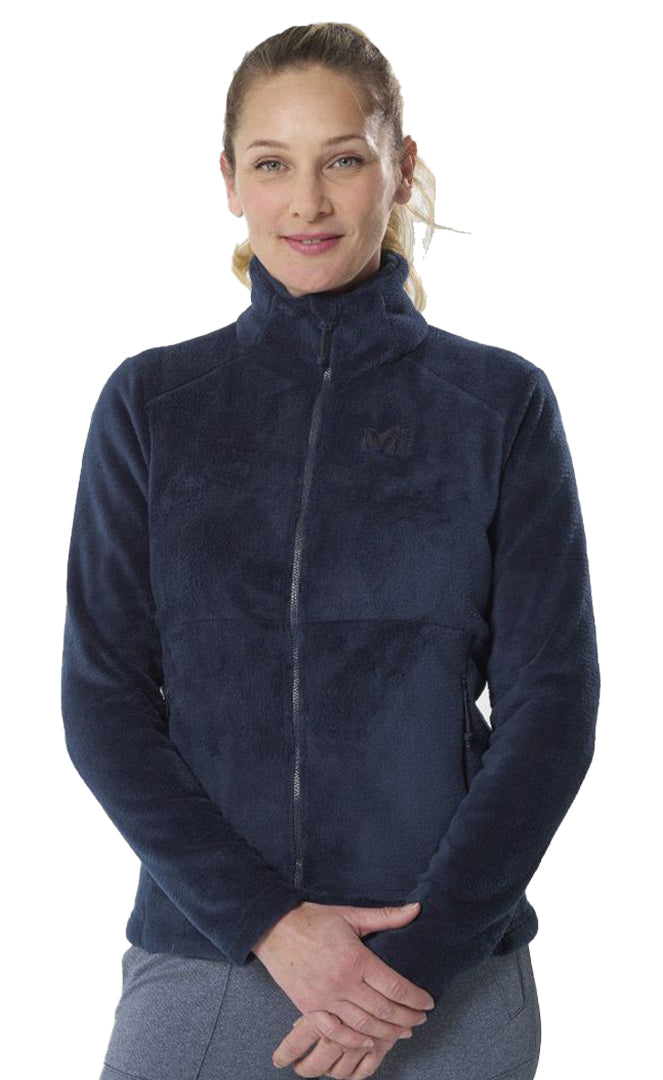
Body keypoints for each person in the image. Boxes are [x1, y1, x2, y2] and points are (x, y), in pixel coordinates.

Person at [61, 21, 600, 1080]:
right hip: (210, 956)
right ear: (229, 181)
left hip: (442, 971)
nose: (306, 202)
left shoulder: (498, 405)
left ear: (399, 166)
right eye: (272, 164)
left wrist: (417, 962)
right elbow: (103, 700)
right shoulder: (152, 405)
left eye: (342, 160)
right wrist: (269, 922)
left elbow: (553, 705)